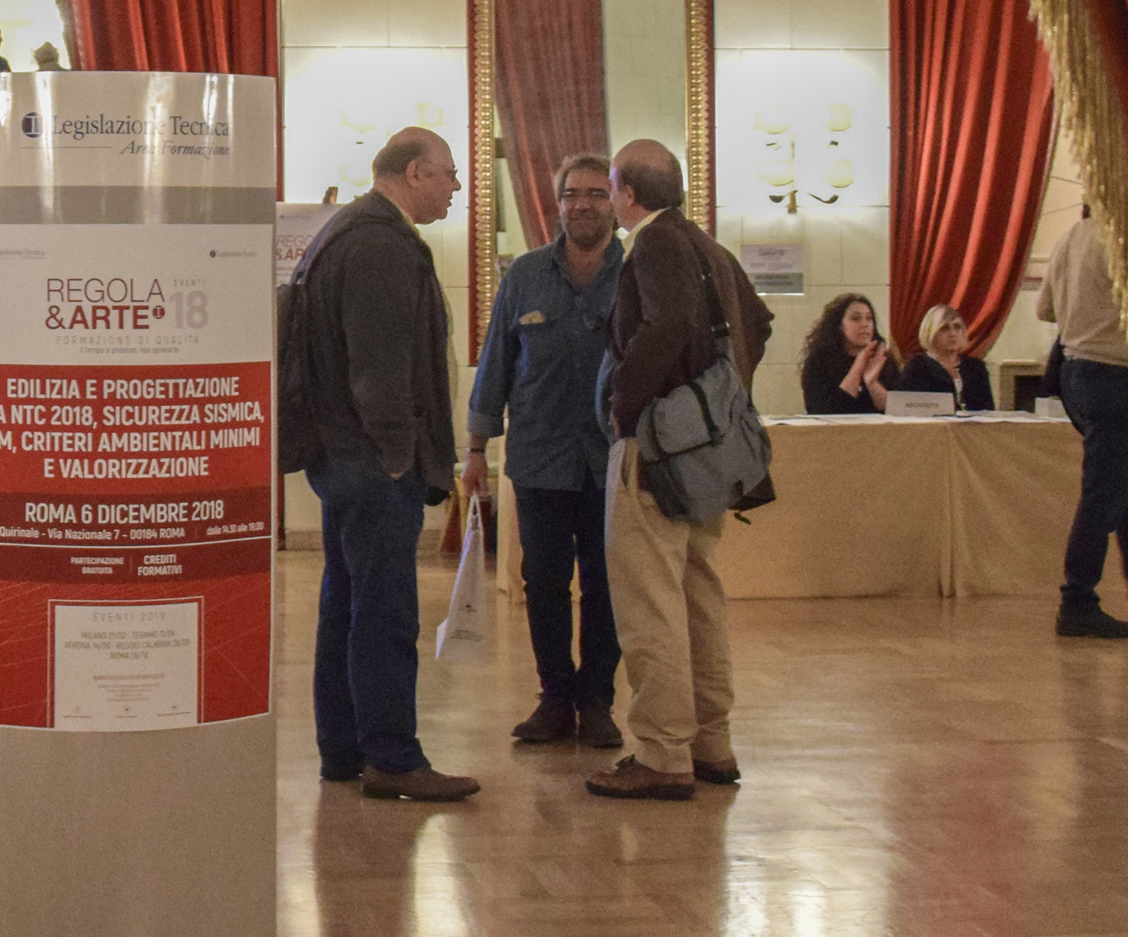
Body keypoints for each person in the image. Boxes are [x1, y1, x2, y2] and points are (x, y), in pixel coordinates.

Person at [282, 129, 479, 802]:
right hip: (371, 463)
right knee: (385, 611)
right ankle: (393, 757)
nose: (456, 188)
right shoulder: (378, 244)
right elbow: (379, 365)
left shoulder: (352, 232)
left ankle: (344, 752)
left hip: (347, 459)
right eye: (450, 175)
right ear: (417, 172)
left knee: (348, 605)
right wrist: (399, 455)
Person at [590, 138, 772, 802]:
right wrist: (718, 394)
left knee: (649, 600)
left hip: (657, 449)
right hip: (703, 452)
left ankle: (663, 753)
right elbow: (758, 322)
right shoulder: (705, 244)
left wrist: (627, 401)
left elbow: (664, 325)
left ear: (628, 194)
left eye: (611, 188)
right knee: (698, 591)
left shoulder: (656, 244)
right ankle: (711, 745)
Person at [464, 151, 627, 750]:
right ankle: (555, 699)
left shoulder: (635, 273)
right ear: (556, 203)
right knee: (545, 583)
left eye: (595, 193)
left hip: (614, 461)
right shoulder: (525, 274)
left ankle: (599, 700)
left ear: (614, 203)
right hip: (538, 458)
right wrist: (477, 448)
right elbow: (496, 365)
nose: (582, 204)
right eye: (571, 194)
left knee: (608, 585)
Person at [1037, 207, 1128, 639]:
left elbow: (1045, 309)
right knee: (1104, 495)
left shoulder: (1069, 237)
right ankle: (1077, 600)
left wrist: (1084, 314)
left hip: (1076, 374)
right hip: (1113, 377)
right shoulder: (1119, 240)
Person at [797, 291, 897, 414]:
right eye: (856, 318)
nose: (865, 324)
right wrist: (858, 366)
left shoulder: (882, 359)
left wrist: (871, 382)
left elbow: (895, 411)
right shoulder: (819, 361)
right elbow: (825, 410)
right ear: (839, 325)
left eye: (869, 318)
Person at [897, 303, 994, 410]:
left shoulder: (975, 367)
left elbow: (988, 409)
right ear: (930, 333)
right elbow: (906, 409)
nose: (952, 333)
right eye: (944, 328)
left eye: (957, 327)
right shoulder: (917, 367)